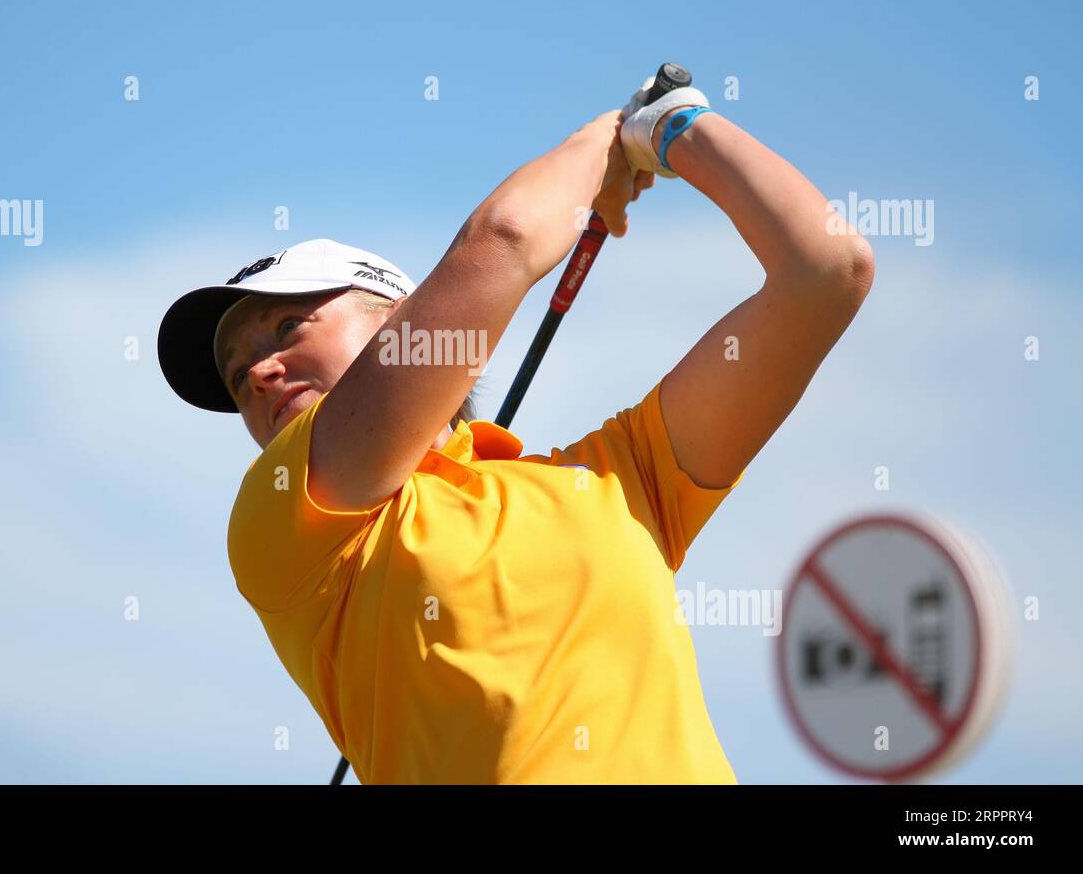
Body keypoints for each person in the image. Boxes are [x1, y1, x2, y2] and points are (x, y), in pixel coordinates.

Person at [157, 90, 874, 783]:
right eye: (237, 371)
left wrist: (675, 130)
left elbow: (827, 271)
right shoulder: (285, 522)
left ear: (400, 318)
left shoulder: (619, 479)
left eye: (288, 327)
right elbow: (505, 240)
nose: (259, 372)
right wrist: (611, 140)